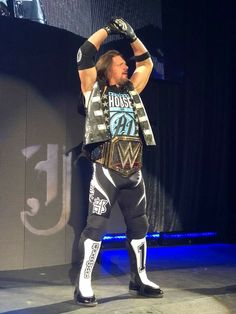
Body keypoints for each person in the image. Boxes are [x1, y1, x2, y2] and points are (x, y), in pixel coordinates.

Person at [74, 17, 163, 307]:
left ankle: (140, 279)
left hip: (133, 170)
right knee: (95, 227)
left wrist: (132, 35)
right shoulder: (93, 90)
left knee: (140, 226)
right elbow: (84, 54)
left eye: (127, 63)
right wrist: (109, 30)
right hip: (106, 170)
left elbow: (146, 63)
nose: (127, 66)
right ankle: (83, 284)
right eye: (121, 62)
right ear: (107, 66)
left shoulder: (131, 90)